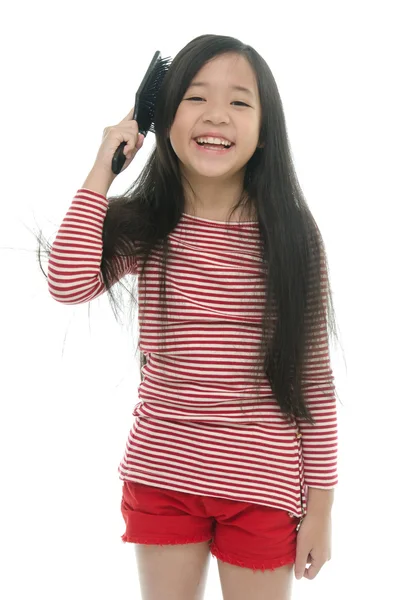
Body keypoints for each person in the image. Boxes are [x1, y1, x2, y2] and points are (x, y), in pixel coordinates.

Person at [41, 33, 341, 600]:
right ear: (163, 117)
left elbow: (314, 383)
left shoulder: (292, 236)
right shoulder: (147, 225)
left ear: (264, 128)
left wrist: (321, 507)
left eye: (240, 102)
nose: (217, 116)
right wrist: (106, 164)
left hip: (262, 485)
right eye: (195, 97)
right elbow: (66, 282)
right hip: (162, 474)